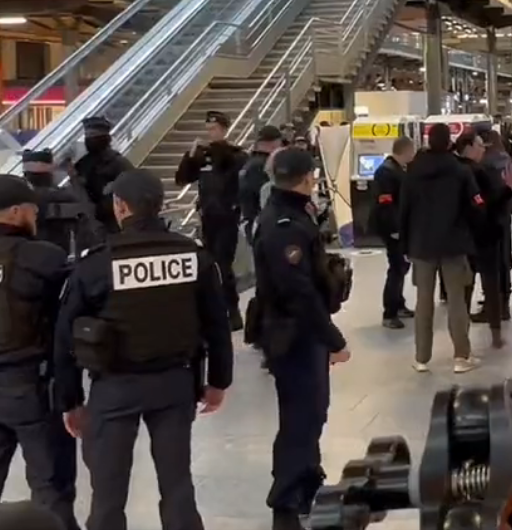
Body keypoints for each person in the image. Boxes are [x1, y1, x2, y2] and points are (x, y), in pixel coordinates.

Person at [53, 168, 233, 530]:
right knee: (178, 485)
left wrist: (70, 401)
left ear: (121, 207)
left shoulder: (97, 263)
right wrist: (218, 382)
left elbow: (65, 337)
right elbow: (217, 324)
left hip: (115, 387)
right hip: (174, 383)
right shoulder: (193, 256)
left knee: (107, 491)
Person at [251, 148, 350, 530]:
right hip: (292, 334)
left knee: (312, 412)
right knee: (299, 417)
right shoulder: (285, 223)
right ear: (308, 178)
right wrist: (333, 339)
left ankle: (308, 480)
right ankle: (286, 503)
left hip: (301, 332)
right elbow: (298, 291)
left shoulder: (294, 211)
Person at [0, 176, 79, 530]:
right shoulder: (42, 256)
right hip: (29, 382)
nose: (36, 218)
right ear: (16, 212)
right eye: (32, 211)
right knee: (49, 483)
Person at [399, 122, 484, 374]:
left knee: (424, 301)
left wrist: (405, 242)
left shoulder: (412, 171)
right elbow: (476, 206)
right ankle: (461, 356)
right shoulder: (460, 171)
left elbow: (404, 209)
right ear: (449, 142)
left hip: (421, 245)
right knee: (456, 299)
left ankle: (421, 357)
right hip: (454, 244)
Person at [175, 110, 247, 331]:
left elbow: (233, 170)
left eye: (214, 129)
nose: (211, 133)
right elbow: (182, 179)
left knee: (223, 266)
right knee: (208, 265)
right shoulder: (203, 155)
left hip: (227, 217)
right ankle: (212, 310)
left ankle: (232, 311)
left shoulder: (236, 154)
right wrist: (190, 157)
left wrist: (220, 151)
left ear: (224, 129)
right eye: (208, 130)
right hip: (208, 217)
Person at [454, 131, 512, 349]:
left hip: (461, 237)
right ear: (468, 147)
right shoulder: (478, 172)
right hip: (484, 235)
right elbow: (488, 202)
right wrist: (508, 189)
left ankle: (461, 340)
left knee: (464, 287)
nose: (483, 149)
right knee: (489, 282)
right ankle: (495, 335)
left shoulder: (455, 169)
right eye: (480, 146)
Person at [371, 137, 416, 329]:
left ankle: (398, 303)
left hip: (400, 225)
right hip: (391, 227)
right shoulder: (386, 172)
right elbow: (386, 203)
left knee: (401, 266)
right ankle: (389, 312)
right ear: (405, 151)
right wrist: (394, 228)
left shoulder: (398, 169)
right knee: (396, 267)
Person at [22, 149, 96, 253]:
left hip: (25, 256)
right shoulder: (64, 197)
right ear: (50, 174)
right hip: (59, 254)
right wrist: (74, 178)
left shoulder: (17, 199)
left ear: (25, 175)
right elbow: (87, 213)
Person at [71, 116, 132, 240]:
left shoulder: (118, 163)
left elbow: (130, 191)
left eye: (93, 136)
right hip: (90, 224)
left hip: (113, 223)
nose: (89, 139)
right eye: (87, 136)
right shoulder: (83, 164)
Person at [239, 125, 285, 244]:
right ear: (275, 143)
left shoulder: (249, 163)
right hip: (263, 224)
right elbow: (268, 197)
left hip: (249, 220)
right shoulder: (263, 166)